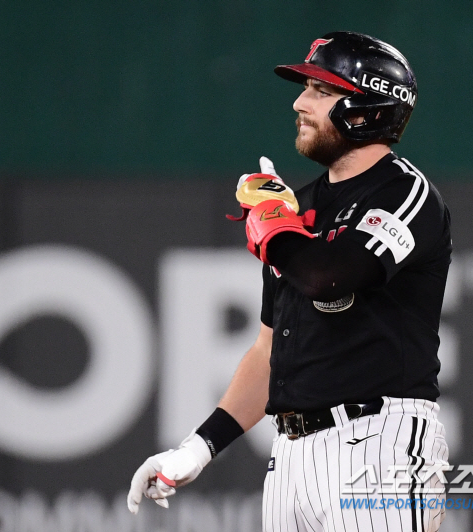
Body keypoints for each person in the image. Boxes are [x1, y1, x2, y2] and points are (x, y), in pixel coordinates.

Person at [127, 31, 452, 532]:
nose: (300, 102)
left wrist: (275, 226)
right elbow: (268, 351)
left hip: (379, 447)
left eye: (322, 91)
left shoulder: (405, 193)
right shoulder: (299, 209)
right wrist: (198, 447)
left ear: (366, 108)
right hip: (291, 458)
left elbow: (332, 278)